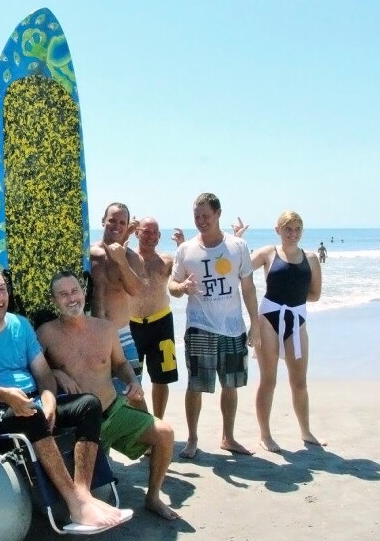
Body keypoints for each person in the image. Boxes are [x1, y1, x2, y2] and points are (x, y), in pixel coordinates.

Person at [0, 266, 131, 529]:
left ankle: (82, 494)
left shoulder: (20, 325)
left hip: (28, 401)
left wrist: (48, 399)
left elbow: (43, 373)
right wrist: (5, 395)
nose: (0, 296)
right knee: (31, 414)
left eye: (3, 289)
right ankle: (74, 503)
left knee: (89, 405)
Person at [38, 271, 179, 521]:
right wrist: (58, 373)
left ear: (83, 292)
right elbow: (37, 371)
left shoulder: (105, 328)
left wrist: (132, 380)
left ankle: (153, 497)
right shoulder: (46, 333)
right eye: (63, 294)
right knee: (93, 494)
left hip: (114, 410)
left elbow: (121, 364)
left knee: (165, 434)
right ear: (53, 300)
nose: (71, 298)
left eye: (74, 291)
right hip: (80, 426)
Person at [168, 192, 261, 459]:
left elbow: (248, 286)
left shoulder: (237, 246)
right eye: (196, 217)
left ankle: (228, 437)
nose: (200, 221)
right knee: (196, 385)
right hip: (199, 325)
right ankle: (193, 438)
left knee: (230, 385)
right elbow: (172, 286)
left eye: (205, 216)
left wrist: (254, 324)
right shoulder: (185, 250)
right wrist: (182, 287)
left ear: (218, 214)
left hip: (232, 326)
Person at [247, 211, 324, 453]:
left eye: (297, 229)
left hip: (297, 319)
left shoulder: (311, 258)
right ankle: (265, 435)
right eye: (288, 229)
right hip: (268, 318)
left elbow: (315, 294)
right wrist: (238, 240)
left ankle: (306, 431)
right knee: (268, 380)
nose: (293, 234)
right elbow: (240, 270)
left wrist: (293, 302)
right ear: (278, 230)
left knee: (299, 381)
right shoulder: (268, 253)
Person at [90, 203, 145, 410]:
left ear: (127, 225)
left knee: (135, 394)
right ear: (103, 221)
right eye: (112, 220)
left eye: (123, 222)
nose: (117, 225)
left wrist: (121, 262)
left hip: (121, 334)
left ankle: (149, 438)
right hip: (93, 335)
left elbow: (135, 290)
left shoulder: (131, 257)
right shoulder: (90, 254)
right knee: (100, 396)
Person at [128, 217, 179, 419]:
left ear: (159, 236)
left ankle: (159, 422)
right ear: (136, 233)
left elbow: (187, 270)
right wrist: (125, 231)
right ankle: (147, 425)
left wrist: (182, 245)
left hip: (161, 323)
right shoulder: (127, 257)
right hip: (132, 324)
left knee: (161, 379)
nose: (150, 236)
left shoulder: (167, 260)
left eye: (154, 232)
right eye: (145, 231)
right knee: (131, 379)